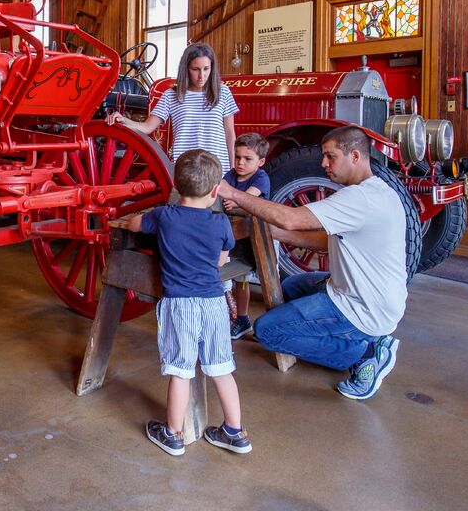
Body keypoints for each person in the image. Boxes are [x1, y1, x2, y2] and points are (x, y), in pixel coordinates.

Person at [216, 126, 406, 401]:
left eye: (330, 157)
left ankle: (365, 353)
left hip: (362, 307)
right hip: (372, 296)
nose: (323, 164)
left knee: (268, 331)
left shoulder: (360, 198)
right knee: (291, 286)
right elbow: (325, 241)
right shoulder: (378, 191)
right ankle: (365, 337)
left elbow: (291, 218)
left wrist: (232, 193)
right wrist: (276, 233)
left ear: (354, 156)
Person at [129, 149, 251, 456]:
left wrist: (136, 218)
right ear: (214, 192)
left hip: (179, 305)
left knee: (181, 369)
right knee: (221, 367)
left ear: (176, 185)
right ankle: (235, 433)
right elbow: (221, 261)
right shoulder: (221, 223)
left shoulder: (164, 216)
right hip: (213, 303)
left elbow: (135, 225)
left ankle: (173, 434)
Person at [107, 43, 239, 172]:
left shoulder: (223, 92)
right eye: (195, 69)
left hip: (218, 170)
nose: (201, 76)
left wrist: (232, 170)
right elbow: (147, 127)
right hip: (186, 171)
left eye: (206, 69)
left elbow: (230, 134)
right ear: (186, 68)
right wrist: (123, 119)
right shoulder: (171, 95)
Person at [220, 132, 271, 340]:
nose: (240, 163)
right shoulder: (230, 175)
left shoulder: (261, 178)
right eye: (237, 157)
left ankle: (257, 321)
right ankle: (238, 318)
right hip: (233, 238)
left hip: (255, 240)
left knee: (249, 281)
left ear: (261, 161)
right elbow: (220, 190)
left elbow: (248, 198)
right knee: (234, 279)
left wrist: (236, 199)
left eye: (247, 159)